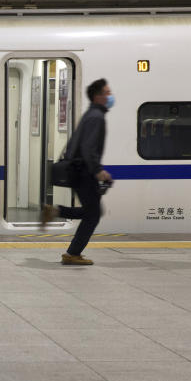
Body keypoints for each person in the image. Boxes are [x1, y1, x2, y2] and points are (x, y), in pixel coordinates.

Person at [41, 78, 114, 265]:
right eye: (107, 93)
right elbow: (89, 147)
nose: (110, 96)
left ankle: (56, 211)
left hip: (78, 169)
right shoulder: (96, 117)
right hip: (84, 171)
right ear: (97, 97)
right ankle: (72, 253)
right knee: (93, 214)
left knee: (92, 212)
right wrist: (98, 171)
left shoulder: (90, 115)